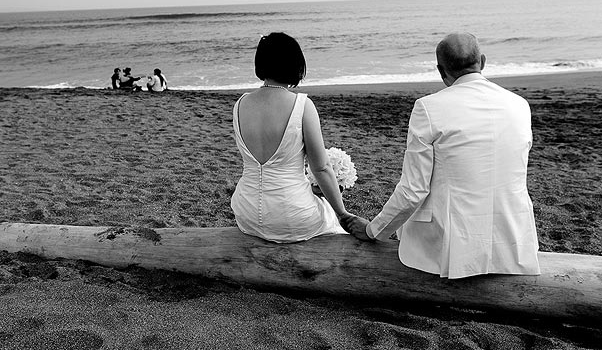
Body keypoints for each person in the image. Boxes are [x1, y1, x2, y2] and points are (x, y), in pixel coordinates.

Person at [345, 33, 541, 279]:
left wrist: (374, 230)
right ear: (482, 61)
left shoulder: (428, 108)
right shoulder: (519, 105)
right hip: (513, 238)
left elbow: (413, 190)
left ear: (441, 70)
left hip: (452, 243)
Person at [230, 32, 353, 243]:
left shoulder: (240, 104)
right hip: (291, 217)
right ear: (294, 64)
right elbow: (321, 168)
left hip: (246, 213)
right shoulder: (302, 105)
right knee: (329, 216)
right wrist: (343, 214)